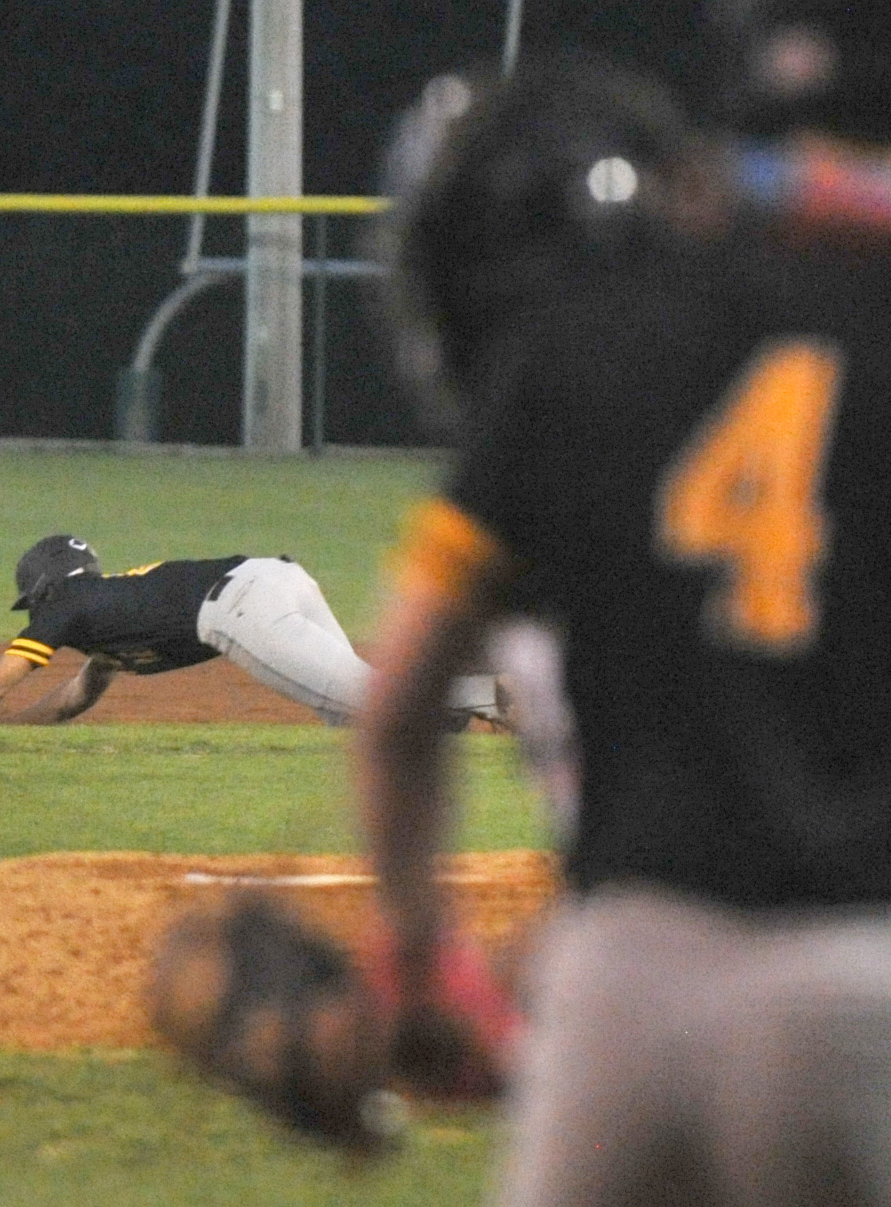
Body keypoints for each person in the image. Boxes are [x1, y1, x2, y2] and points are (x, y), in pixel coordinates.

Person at [358, 25, 891, 1206]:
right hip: (852, 972)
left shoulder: (570, 353)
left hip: (623, 982)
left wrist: (419, 970)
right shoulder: (860, 322)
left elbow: (399, 706)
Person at [0, 534, 503, 727]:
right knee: (344, 707)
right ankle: (450, 717)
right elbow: (73, 697)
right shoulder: (104, 612)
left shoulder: (68, 603)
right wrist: (14, 730)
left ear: (43, 591)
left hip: (238, 606)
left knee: (362, 697)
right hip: (276, 579)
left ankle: (489, 693)